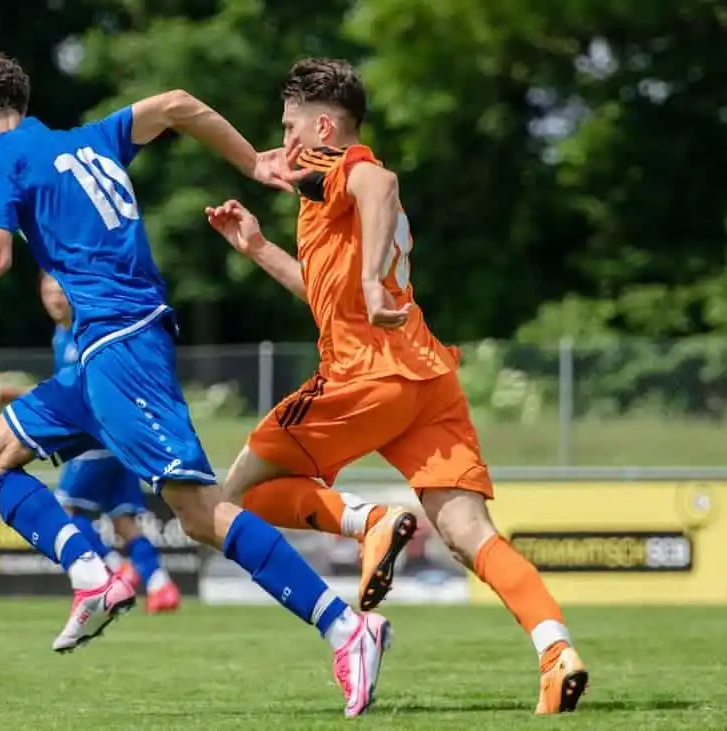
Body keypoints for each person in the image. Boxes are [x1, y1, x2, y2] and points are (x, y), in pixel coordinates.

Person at [0, 51, 390, 717]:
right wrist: (251, 162)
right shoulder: (88, 140)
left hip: (122, 347)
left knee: (200, 514)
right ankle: (93, 573)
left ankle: (347, 626)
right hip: (95, 359)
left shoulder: (6, 155)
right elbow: (176, 101)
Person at [203, 57, 590, 716]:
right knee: (471, 533)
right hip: (425, 376)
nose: (285, 142)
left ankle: (369, 521)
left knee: (226, 498)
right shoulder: (322, 192)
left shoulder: (341, 165)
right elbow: (328, 295)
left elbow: (380, 184)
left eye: (291, 126)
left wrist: (374, 280)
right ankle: (556, 649)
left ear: (324, 125)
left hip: (365, 374)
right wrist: (260, 248)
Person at [0, 273, 182, 614]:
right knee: (124, 520)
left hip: (96, 438)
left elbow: (84, 392)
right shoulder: (62, 334)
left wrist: (23, 396)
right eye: (46, 291)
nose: (53, 298)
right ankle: (160, 584)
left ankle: (113, 570)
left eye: (59, 291)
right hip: (118, 443)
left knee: (64, 509)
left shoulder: (87, 331)